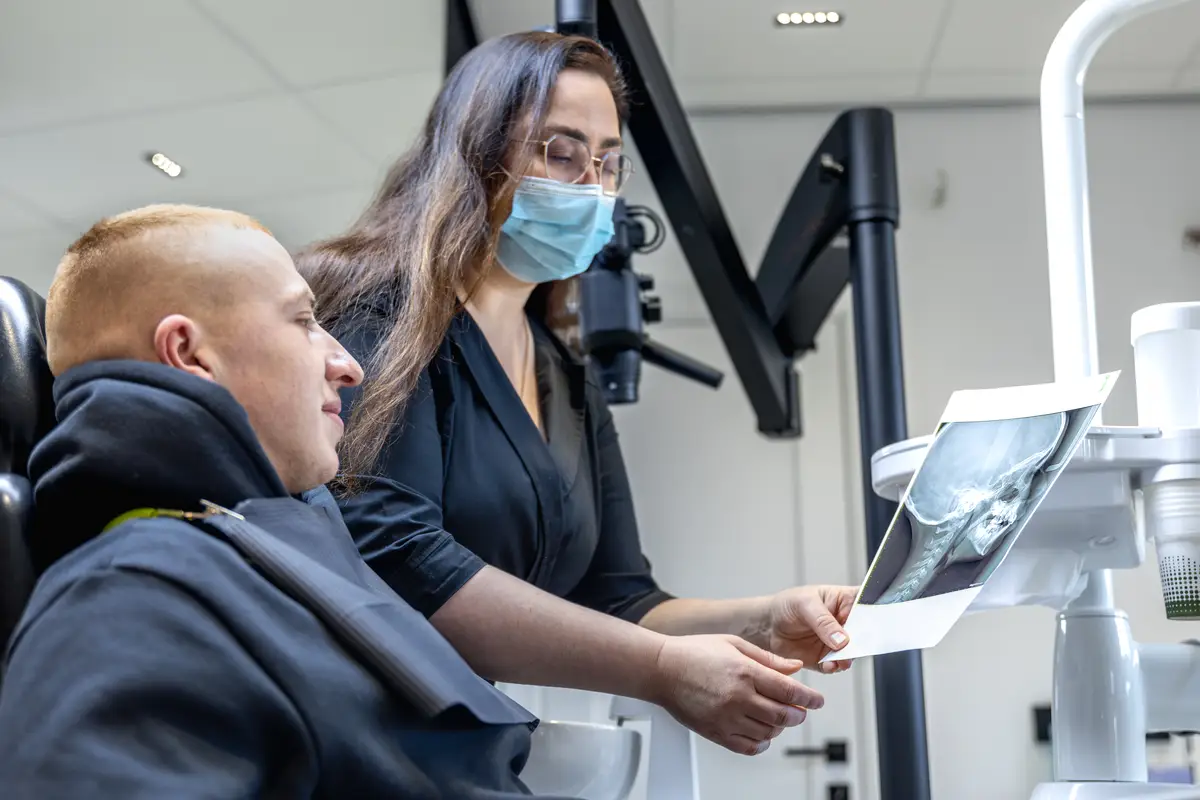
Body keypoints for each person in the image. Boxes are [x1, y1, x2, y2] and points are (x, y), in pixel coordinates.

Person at [299, 31, 857, 758]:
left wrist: (764, 619)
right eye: (560, 153)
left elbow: (620, 596)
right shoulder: (381, 313)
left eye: (608, 163)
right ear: (476, 154)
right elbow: (397, 557)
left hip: (485, 749)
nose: (592, 186)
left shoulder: (564, 374)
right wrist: (659, 672)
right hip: (362, 748)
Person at [0, 204, 581, 798]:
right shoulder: (128, 602)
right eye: (304, 320)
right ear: (188, 352)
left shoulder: (262, 562)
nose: (348, 366)